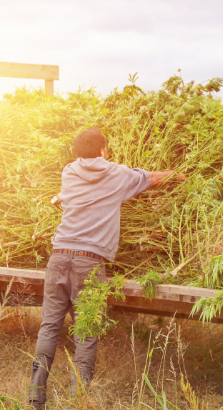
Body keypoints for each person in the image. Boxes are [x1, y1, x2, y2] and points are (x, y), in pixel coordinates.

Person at [28, 126, 185, 409]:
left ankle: (35, 397)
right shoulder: (117, 174)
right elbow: (151, 179)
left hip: (59, 256)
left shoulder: (68, 172)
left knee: (49, 328)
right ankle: (79, 401)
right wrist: (180, 174)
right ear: (103, 150)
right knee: (86, 332)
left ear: (76, 152)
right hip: (88, 262)